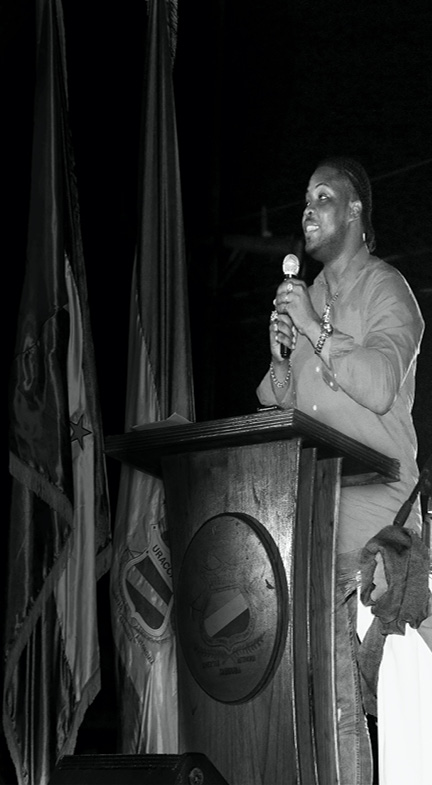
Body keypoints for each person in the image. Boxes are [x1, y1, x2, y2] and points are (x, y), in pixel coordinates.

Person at [256, 156, 425, 785]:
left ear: (356, 210)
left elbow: (379, 386)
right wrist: (282, 357)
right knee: (329, 709)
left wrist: (312, 329)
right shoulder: (312, 298)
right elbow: (281, 403)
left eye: (322, 197)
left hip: (380, 533)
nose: (307, 208)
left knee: (391, 709)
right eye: (305, 198)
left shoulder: (387, 289)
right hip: (317, 526)